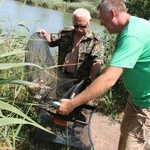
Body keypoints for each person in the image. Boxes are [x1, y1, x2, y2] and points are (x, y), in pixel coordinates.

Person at [57, 0, 150, 149]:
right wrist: (97, 76)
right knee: (124, 134)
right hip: (136, 97)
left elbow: (109, 80)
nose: (100, 24)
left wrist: (72, 104)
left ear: (112, 13)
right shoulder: (127, 29)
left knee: (132, 145)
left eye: (101, 18)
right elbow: (113, 68)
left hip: (147, 102)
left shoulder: (133, 35)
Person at [37, 8, 104, 97]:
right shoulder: (66, 32)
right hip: (62, 77)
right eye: (76, 26)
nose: (79, 29)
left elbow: (97, 61)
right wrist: (45, 34)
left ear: (90, 21)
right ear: (73, 21)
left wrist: (91, 81)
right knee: (58, 101)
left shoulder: (95, 40)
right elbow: (52, 41)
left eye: (83, 26)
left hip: (79, 82)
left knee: (74, 105)